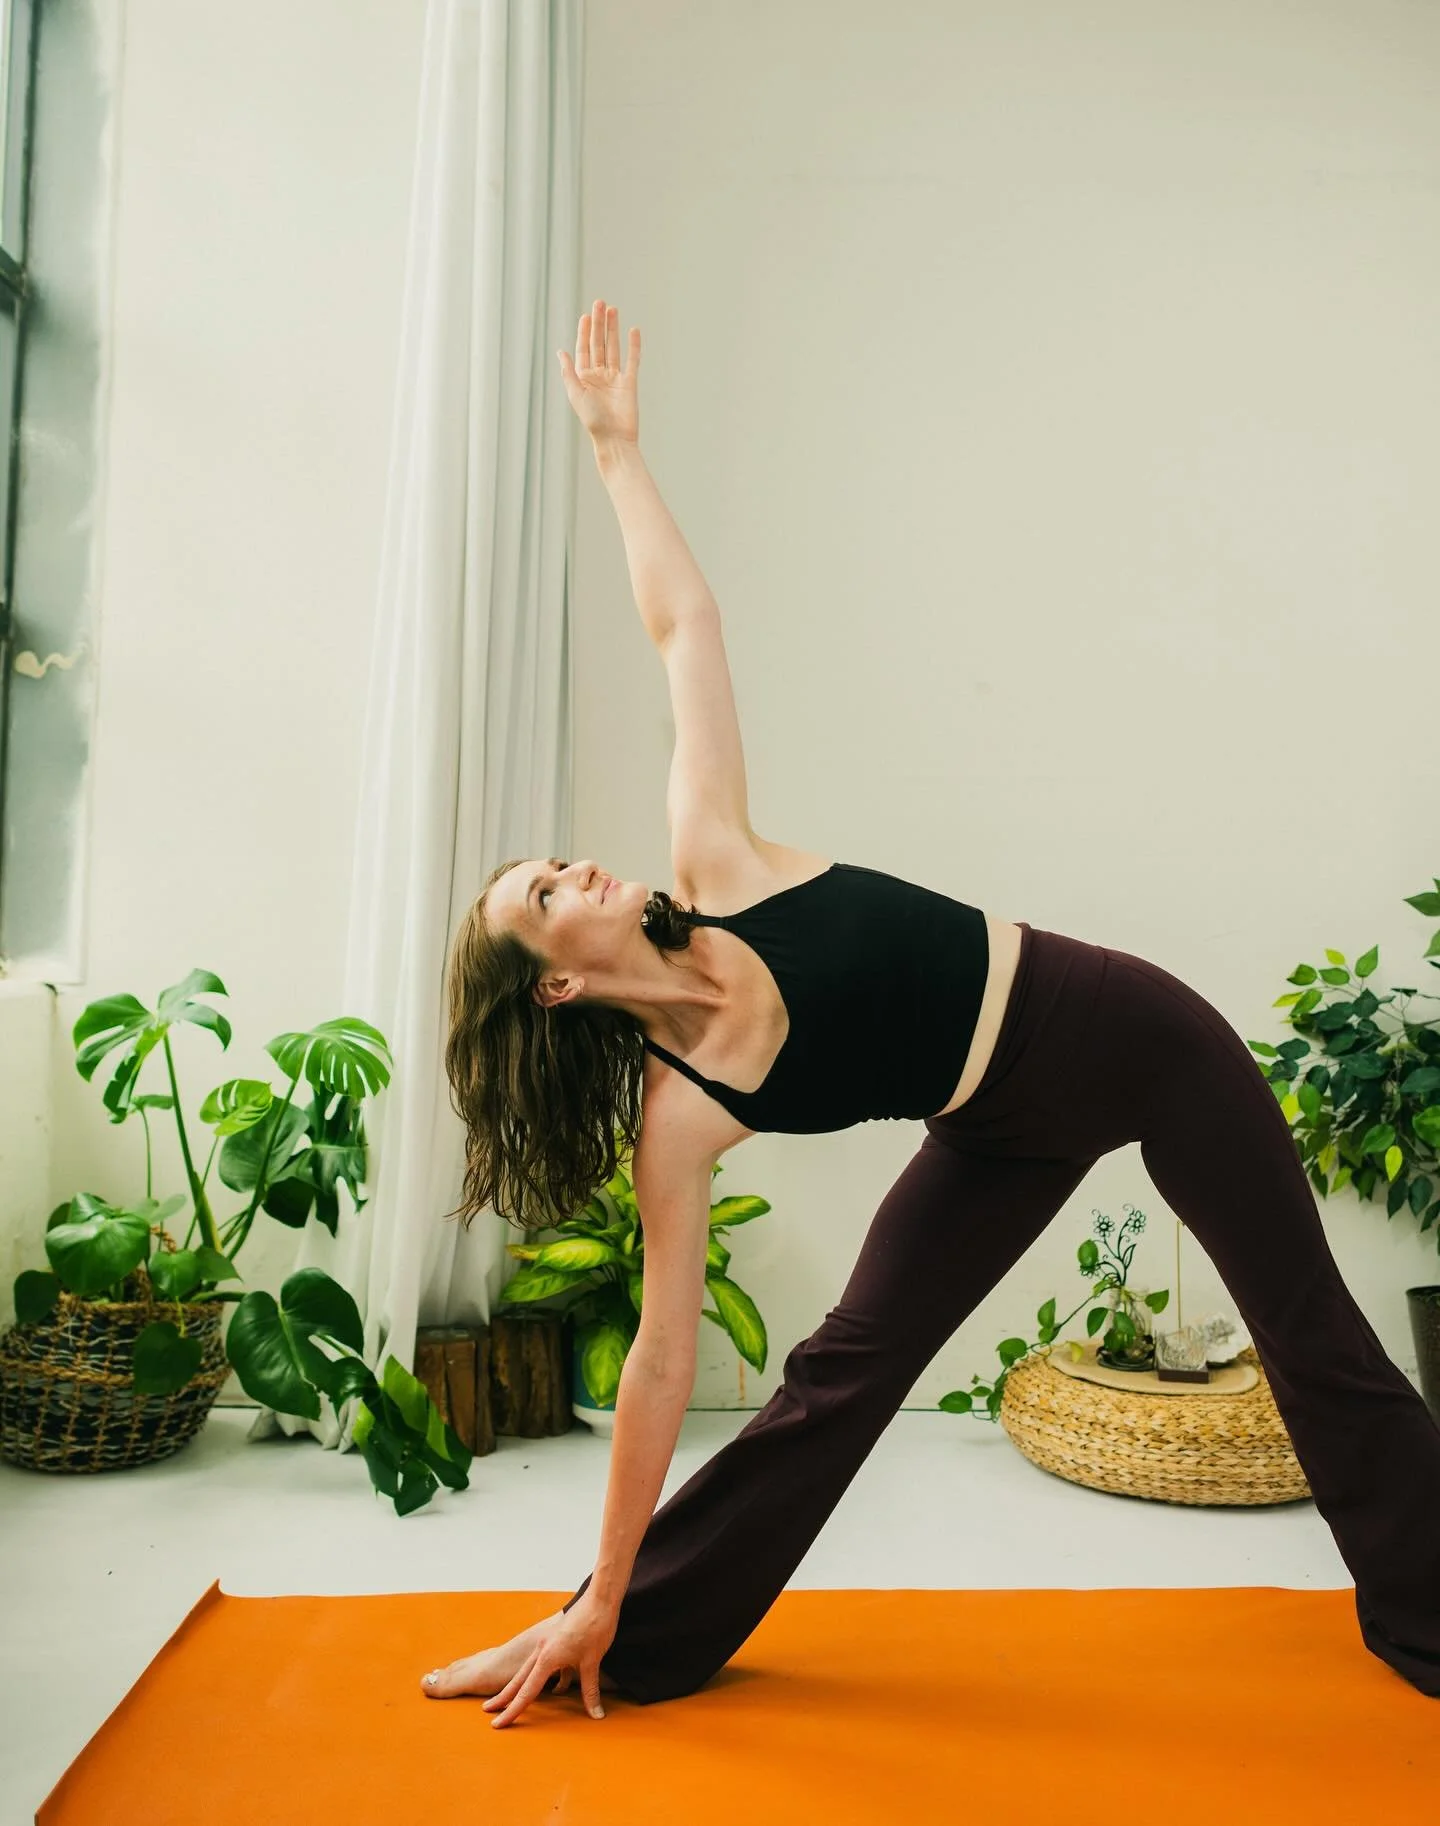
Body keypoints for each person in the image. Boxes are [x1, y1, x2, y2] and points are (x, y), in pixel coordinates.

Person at [421, 300, 1440, 1726]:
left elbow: (682, 626)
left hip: (1135, 1042)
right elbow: (658, 1361)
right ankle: (620, 1634)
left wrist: (615, 450)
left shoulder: (717, 861)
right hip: (994, 1129)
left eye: (553, 859)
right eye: (546, 892)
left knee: (1311, 1332)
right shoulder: (679, 1113)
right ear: (556, 980)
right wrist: (598, 1578)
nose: (575, 866)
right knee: (840, 1377)